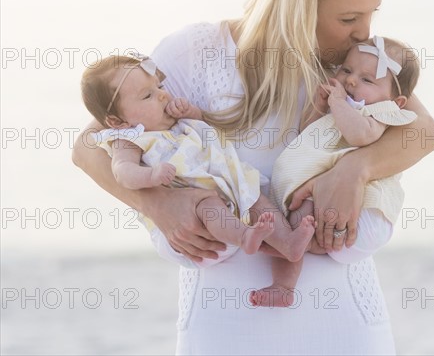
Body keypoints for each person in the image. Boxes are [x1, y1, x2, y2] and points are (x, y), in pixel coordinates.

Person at [72, 0, 434, 355]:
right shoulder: (196, 53)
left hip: (345, 326)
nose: (365, 32)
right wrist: (155, 201)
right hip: (223, 328)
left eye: (370, 14)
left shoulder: (354, 68)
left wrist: (355, 170)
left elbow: (425, 132)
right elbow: (88, 146)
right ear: (300, 3)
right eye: (348, 18)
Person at [80, 53, 315, 265]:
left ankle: (288, 242)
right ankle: (245, 236)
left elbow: (205, 125)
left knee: (256, 197)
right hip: (195, 209)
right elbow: (122, 171)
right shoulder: (129, 139)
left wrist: (190, 112)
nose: (163, 95)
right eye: (148, 95)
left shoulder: (171, 119)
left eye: (159, 86)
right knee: (210, 206)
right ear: (117, 122)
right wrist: (150, 175)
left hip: (230, 184)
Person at [250, 35, 420, 307]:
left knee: (297, 225)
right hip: (327, 204)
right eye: (347, 70)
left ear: (397, 101)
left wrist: (339, 103)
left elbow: (359, 136)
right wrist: (319, 109)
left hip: (364, 212)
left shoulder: (381, 112)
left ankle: (294, 253)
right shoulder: (343, 108)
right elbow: (307, 138)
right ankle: (285, 283)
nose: (351, 81)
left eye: (367, 80)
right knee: (294, 223)